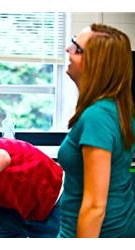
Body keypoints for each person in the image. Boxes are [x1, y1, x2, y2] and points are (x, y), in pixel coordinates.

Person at [58, 23, 135, 237]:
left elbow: (95, 207)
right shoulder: (117, 108)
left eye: (76, 47)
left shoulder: (97, 116)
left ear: (96, 63)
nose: (67, 49)